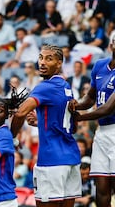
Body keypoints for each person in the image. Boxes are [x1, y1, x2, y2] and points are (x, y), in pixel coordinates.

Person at [69, 32, 115, 207]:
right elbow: (90, 99)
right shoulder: (99, 66)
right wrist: (74, 105)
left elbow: (108, 109)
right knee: (100, 189)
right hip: (102, 134)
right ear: (111, 46)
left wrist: (80, 118)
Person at [11, 44, 81, 206]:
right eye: (41, 58)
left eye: (49, 59)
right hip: (71, 157)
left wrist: (12, 138)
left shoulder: (44, 87)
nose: (42, 62)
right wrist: (40, 122)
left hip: (51, 159)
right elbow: (72, 127)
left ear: (59, 63)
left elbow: (20, 112)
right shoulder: (66, 86)